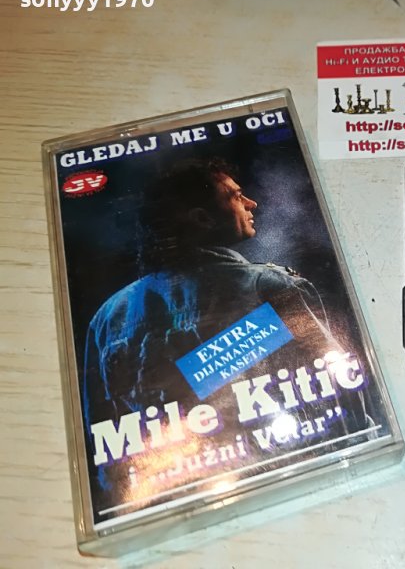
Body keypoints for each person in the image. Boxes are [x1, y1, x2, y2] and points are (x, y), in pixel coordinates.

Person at [81, 157, 348, 434]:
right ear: (202, 218)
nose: (251, 203)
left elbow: (102, 431)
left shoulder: (107, 317)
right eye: (236, 196)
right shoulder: (268, 286)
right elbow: (342, 386)